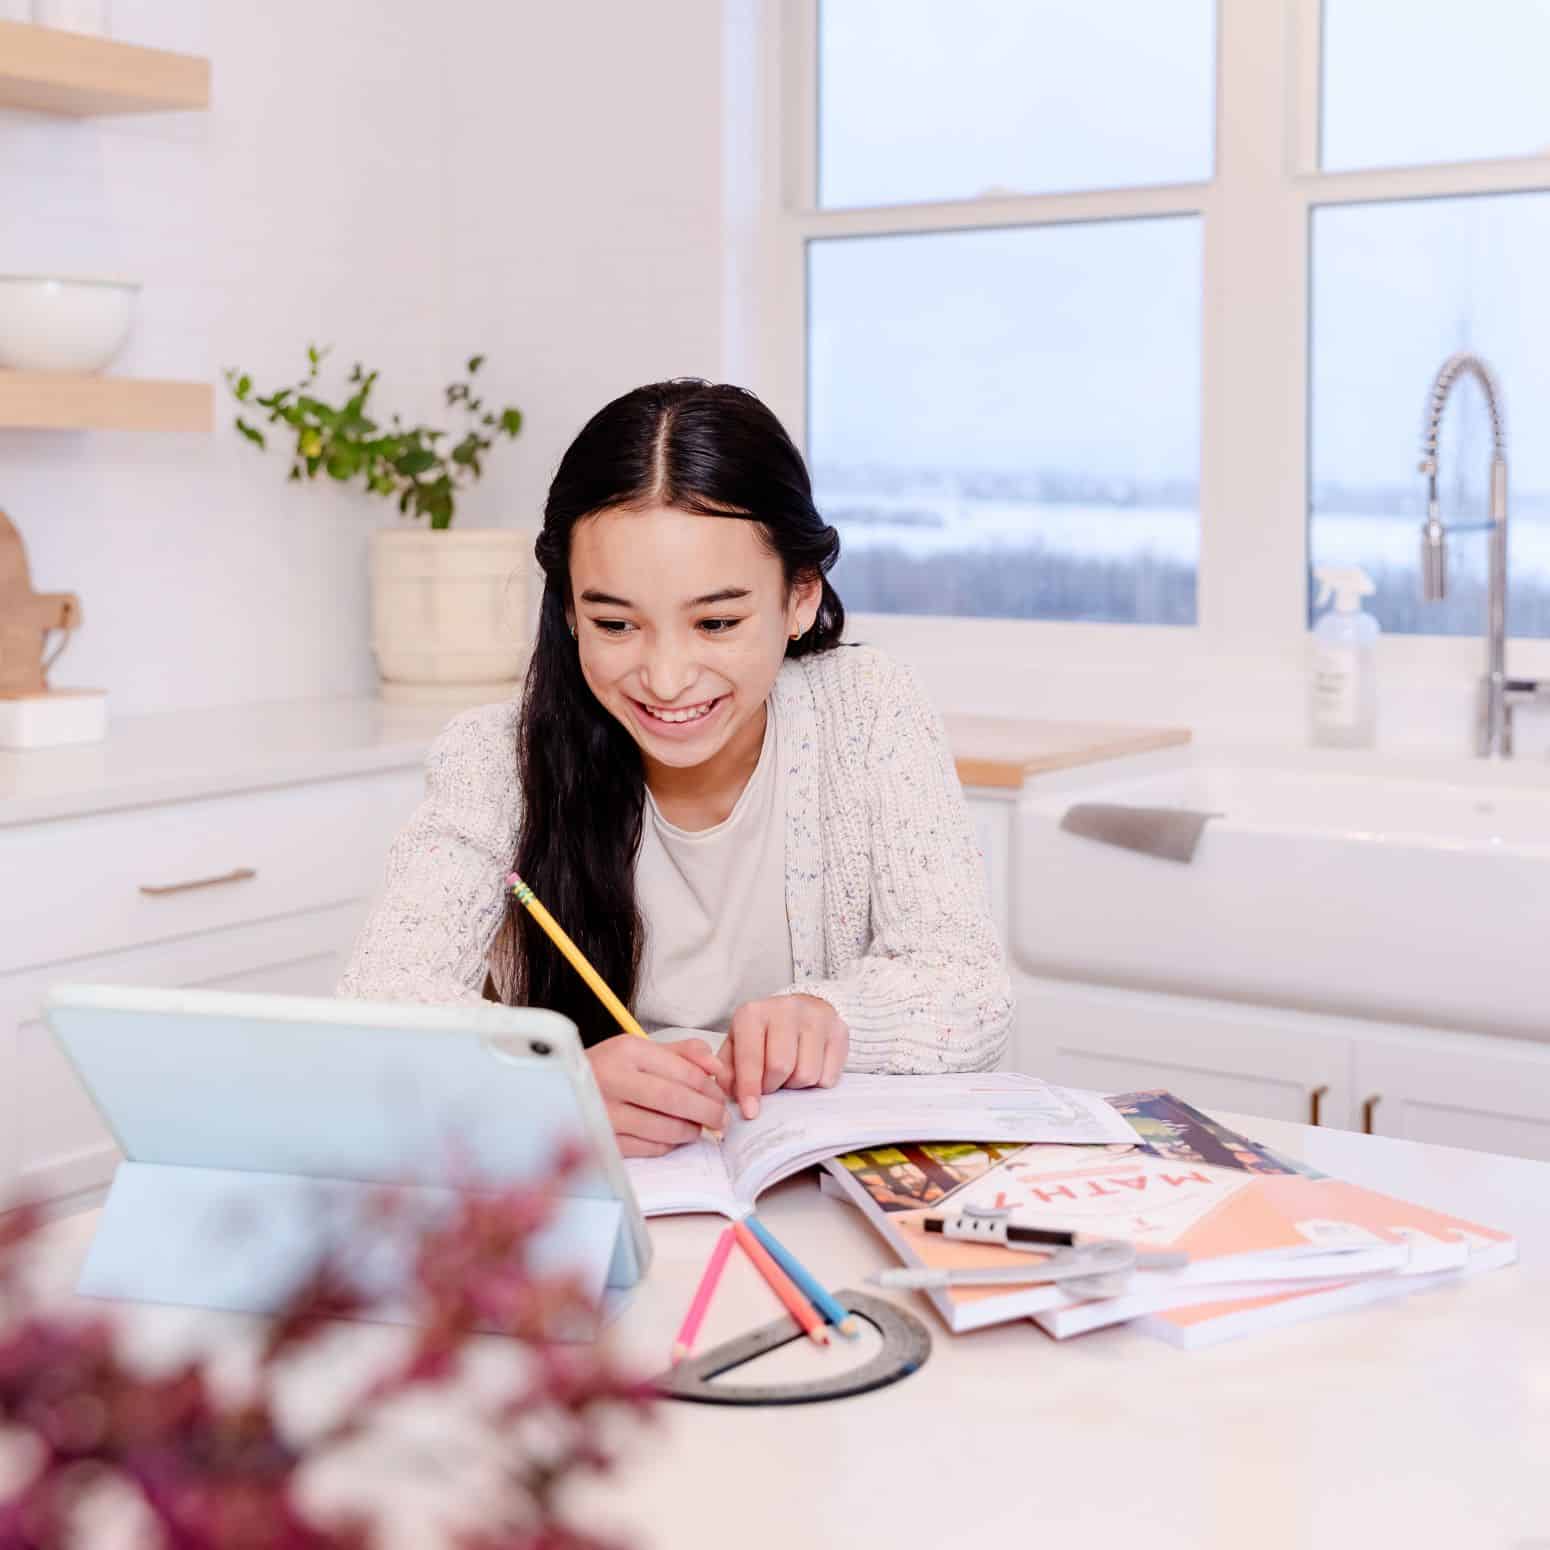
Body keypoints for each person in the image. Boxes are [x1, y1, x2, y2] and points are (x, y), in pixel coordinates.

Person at [339, 379, 1011, 1155]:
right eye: (615, 623)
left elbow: (971, 990)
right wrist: (553, 1081)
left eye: (717, 621)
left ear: (799, 597)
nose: (665, 678)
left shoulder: (867, 713)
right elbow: (376, 1004)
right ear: (567, 611)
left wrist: (834, 1017)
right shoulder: (496, 760)